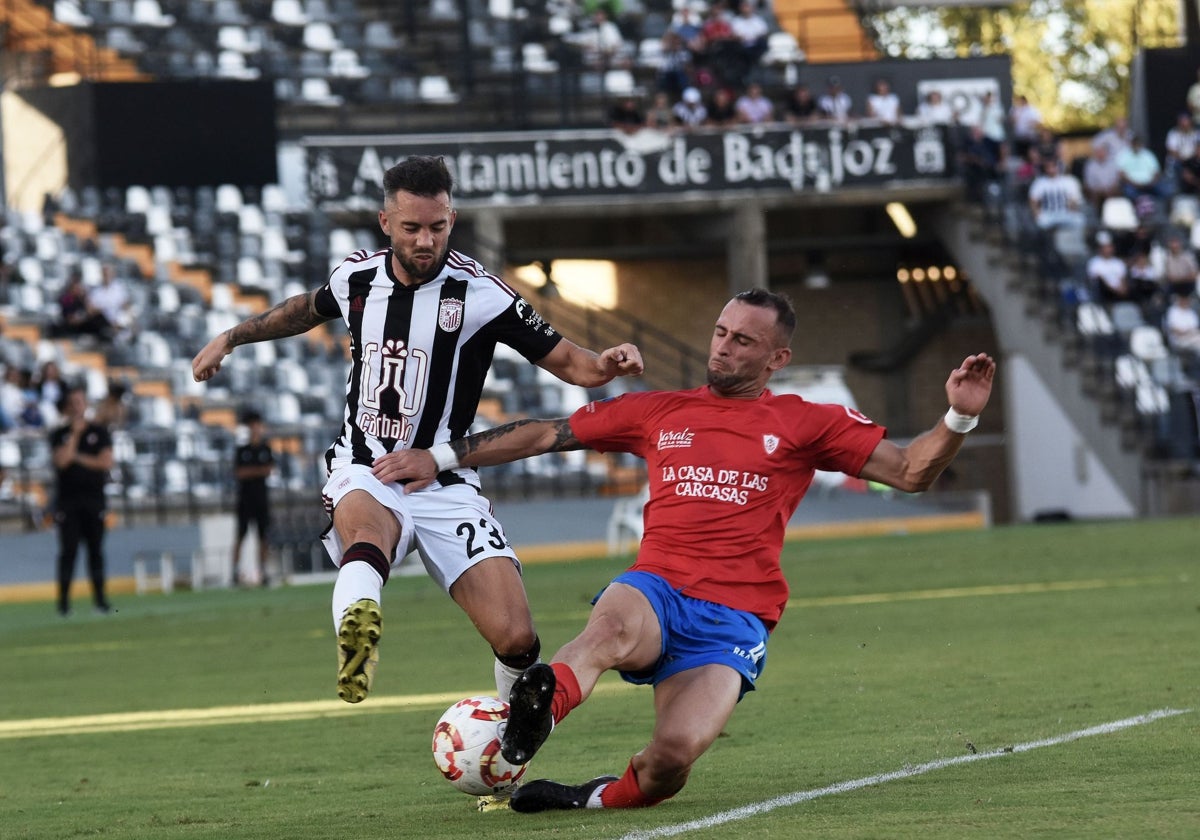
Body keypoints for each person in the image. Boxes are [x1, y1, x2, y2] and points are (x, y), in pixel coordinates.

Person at [374, 288, 996, 813]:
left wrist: (959, 418)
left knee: (669, 762)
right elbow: (546, 433)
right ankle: (527, 725)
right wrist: (442, 456)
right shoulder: (661, 411)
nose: (722, 347)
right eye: (720, 332)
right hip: (656, 587)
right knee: (606, 632)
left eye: (742, 341)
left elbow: (913, 471)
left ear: (778, 357)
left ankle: (587, 798)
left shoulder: (810, 422)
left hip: (732, 620)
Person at [191, 156, 643, 708]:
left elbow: (574, 363)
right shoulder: (355, 278)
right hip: (366, 464)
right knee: (367, 535)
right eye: (411, 228)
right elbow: (302, 311)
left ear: (453, 219)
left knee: (519, 639)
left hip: (447, 478)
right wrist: (230, 338)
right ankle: (358, 635)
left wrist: (608, 364)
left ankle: (505, 751)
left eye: (437, 226)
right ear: (387, 224)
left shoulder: (483, 295)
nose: (425, 240)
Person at [49, 385, 115, 616]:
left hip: (94, 500)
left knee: (96, 551)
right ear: (67, 407)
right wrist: (75, 436)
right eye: (73, 403)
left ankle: (100, 601)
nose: (77, 407)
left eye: (80, 402)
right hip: (68, 503)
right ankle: (64, 604)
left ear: (85, 404)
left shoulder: (100, 431)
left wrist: (76, 456)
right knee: (68, 552)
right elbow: (61, 462)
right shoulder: (60, 434)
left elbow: (105, 463)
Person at [232, 409, 275, 587]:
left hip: (261, 499)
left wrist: (252, 472)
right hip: (245, 500)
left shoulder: (266, 448)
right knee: (240, 536)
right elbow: (240, 473)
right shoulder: (242, 450)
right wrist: (258, 471)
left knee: (263, 537)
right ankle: (234, 572)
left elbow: (269, 469)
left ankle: (262, 571)